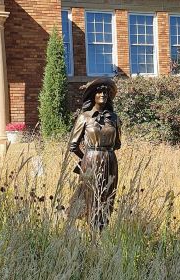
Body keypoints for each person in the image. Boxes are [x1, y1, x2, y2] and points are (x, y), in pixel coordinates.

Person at [68, 78, 121, 230]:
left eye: (105, 92)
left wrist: (105, 153)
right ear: (93, 96)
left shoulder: (114, 118)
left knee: (107, 196)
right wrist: (86, 159)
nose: (103, 94)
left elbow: (117, 143)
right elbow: (73, 145)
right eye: (99, 91)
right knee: (91, 197)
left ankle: (102, 230)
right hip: (90, 161)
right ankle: (91, 231)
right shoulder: (84, 117)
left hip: (110, 161)